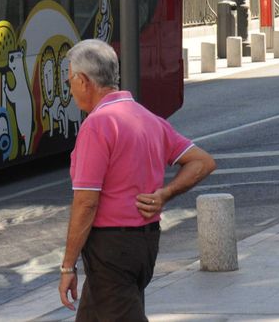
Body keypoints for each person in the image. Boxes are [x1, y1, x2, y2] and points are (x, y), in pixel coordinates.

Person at [57, 39, 215, 321]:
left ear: (83, 81)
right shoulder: (148, 118)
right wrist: (165, 194)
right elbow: (202, 161)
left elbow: (86, 203)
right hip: (144, 243)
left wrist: (68, 267)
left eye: (70, 82)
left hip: (111, 250)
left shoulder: (97, 124)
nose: (70, 91)